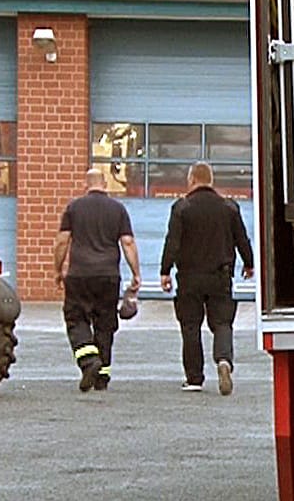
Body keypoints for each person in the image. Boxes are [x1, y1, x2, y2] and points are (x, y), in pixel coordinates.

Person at [159, 162, 254, 395]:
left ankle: (194, 378)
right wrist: (249, 263)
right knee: (222, 323)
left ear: (191, 180)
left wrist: (165, 271)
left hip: (190, 277)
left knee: (190, 326)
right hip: (220, 276)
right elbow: (242, 238)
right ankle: (223, 360)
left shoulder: (181, 208)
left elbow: (173, 242)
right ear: (211, 180)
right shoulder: (229, 207)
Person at [53, 167, 141, 393]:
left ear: (86, 184)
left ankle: (88, 362)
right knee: (105, 325)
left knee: (76, 320)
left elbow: (62, 241)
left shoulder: (74, 207)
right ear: (105, 184)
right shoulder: (118, 209)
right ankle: (102, 377)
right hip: (108, 275)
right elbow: (128, 243)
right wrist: (136, 274)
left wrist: (58, 269)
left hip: (79, 274)